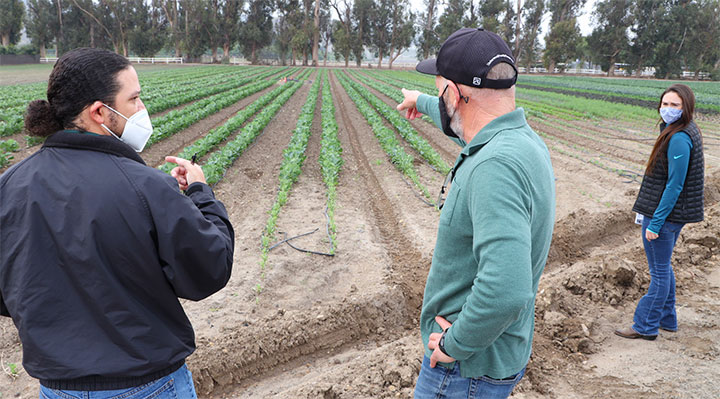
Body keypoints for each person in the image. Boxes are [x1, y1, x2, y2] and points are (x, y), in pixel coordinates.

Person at [0, 48, 234, 398]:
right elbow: (209, 267)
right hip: (147, 386)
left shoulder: (9, 185)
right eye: (135, 99)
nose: (142, 110)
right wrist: (200, 192)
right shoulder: (147, 186)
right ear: (98, 112)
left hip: (57, 389)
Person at [396, 28, 556, 399]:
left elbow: (506, 289)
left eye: (440, 93)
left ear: (454, 93)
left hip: (465, 371)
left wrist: (454, 345)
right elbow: (467, 127)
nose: (441, 99)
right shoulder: (522, 140)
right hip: (498, 357)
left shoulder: (494, 166)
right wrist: (421, 100)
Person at [616, 84, 704, 341]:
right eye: (665, 104)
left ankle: (645, 325)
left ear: (685, 108)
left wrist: (656, 223)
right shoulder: (681, 130)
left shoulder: (678, 138)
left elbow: (675, 185)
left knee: (659, 272)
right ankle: (667, 320)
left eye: (674, 105)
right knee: (663, 267)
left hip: (664, 216)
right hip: (671, 215)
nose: (667, 109)